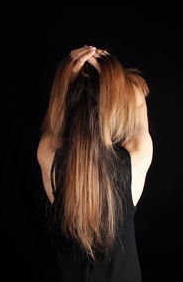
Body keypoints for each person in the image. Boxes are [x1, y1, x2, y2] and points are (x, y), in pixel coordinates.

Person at [37, 45, 153, 281]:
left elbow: (54, 119)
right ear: (114, 106)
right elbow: (139, 101)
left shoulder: (48, 157)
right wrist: (116, 81)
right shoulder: (137, 157)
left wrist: (66, 79)